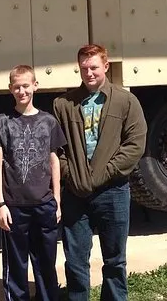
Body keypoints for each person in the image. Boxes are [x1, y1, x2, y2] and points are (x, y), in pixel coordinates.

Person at [52, 44, 147, 301]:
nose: (89, 73)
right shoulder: (63, 104)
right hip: (75, 193)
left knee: (115, 261)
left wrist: (105, 173)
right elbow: (56, 150)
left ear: (106, 66)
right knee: (75, 261)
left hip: (113, 191)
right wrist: (71, 175)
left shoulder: (126, 101)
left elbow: (135, 145)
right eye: (84, 68)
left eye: (94, 67)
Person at [0, 64, 67, 301]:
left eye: (26, 86)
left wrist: (57, 199)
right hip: (14, 206)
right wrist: (0, 203)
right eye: (17, 87)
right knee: (16, 265)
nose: (22, 91)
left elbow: (54, 161)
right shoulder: (2, 122)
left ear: (35, 86)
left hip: (44, 204)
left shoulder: (49, 121)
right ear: (10, 89)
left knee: (46, 262)